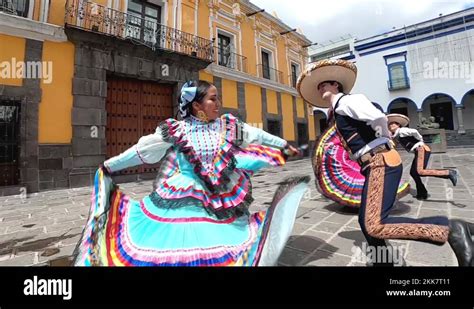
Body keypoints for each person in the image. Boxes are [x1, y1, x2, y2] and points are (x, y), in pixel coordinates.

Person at [73, 80, 308, 266]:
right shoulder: (177, 129)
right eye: (212, 99)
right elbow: (140, 151)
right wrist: (110, 166)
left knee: (221, 236)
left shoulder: (227, 124)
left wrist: (284, 145)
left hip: (216, 195)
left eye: (218, 99)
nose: (218, 104)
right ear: (196, 105)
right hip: (184, 193)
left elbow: (257, 135)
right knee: (183, 238)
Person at [297, 59, 472, 266]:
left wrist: (382, 141)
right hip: (373, 163)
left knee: (373, 224)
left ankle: (451, 229)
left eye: (324, 83)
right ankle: (385, 261)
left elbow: (378, 118)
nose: (320, 87)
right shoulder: (336, 110)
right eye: (318, 86)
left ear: (336, 84)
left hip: (380, 160)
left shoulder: (348, 101)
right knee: (366, 220)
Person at [387, 114, 457, 200]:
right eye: (390, 124)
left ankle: (449, 173)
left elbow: (414, 132)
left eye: (393, 124)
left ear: (398, 125)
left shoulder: (402, 130)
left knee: (420, 171)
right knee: (413, 172)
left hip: (421, 149)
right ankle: (422, 193)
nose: (391, 125)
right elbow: (394, 144)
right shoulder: (396, 135)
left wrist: (420, 141)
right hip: (418, 151)